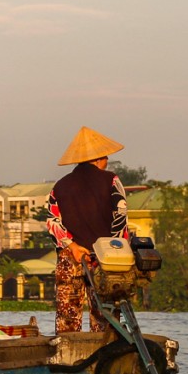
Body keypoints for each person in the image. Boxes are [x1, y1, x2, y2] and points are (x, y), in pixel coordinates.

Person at [46, 126, 129, 333]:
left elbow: (52, 222)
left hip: (70, 257)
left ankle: (67, 357)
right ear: (99, 158)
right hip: (105, 257)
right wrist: (115, 249)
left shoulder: (60, 186)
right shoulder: (111, 180)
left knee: (67, 317)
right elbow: (121, 216)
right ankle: (105, 356)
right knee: (105, 317)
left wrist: (72, 246)